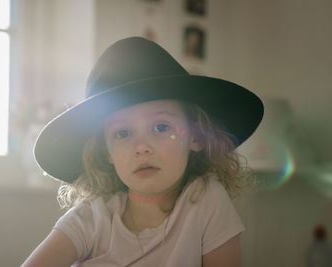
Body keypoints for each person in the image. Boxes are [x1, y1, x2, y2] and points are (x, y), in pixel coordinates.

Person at [21, 37, 264, 267]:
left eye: (161, 127)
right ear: (106, 152)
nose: (142, 147)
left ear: (196, 136)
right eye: (123, 133)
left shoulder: (206, 200)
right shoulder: (92, 217)